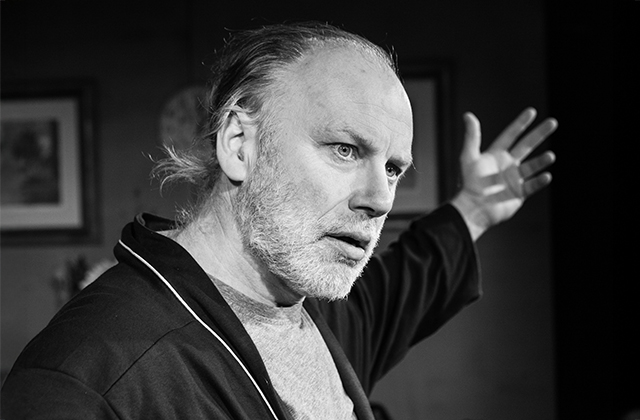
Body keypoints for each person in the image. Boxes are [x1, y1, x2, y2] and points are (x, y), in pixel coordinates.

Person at [0, 22, 557, 420]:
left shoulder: (313, 316)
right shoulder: (89, 374)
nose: (379, 199)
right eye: (343, 149)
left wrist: (477, 209)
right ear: (240, 144)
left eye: (392, 168)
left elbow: (407, 282)